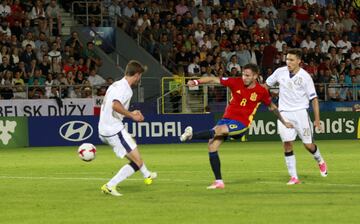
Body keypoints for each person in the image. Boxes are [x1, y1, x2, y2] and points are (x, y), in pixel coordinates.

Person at [180, 63, 293, 189]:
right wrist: (196, 81)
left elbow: (272, 107)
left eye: (248, 75)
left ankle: (191, 135)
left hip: (241, 124)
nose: (244, 77)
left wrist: (284, 121)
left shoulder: (261, 91)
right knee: (212, 146)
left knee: (218, 130)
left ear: (255, 76)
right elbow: (213, 79)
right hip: (226, 119)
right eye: (243, 74)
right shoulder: (235, 82)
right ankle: (219, 182)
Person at [265, 49, 328, 185]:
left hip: (300, 113)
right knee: (287, 144)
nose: (288, 62)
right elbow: (265, 86)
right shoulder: (279, 72)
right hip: (283, 113)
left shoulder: (305, 77)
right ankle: (294, 177)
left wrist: (317, 120)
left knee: (308, 145)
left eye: (292, 60)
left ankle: (320, 160)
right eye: (287, 59)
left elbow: (314, 99)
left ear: (299, 61)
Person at [98, 60, 157, 196]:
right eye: (140, 75)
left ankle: (147, 174)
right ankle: (110, 185)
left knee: (134, 153)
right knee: (137, 161)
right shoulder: (125, 89)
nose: (140, 78)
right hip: (113, 130)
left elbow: (116, 106)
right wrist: (132, 116)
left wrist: (132, 112)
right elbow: (115, 105)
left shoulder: (116, 85)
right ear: (136, 75)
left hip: (105, 128)